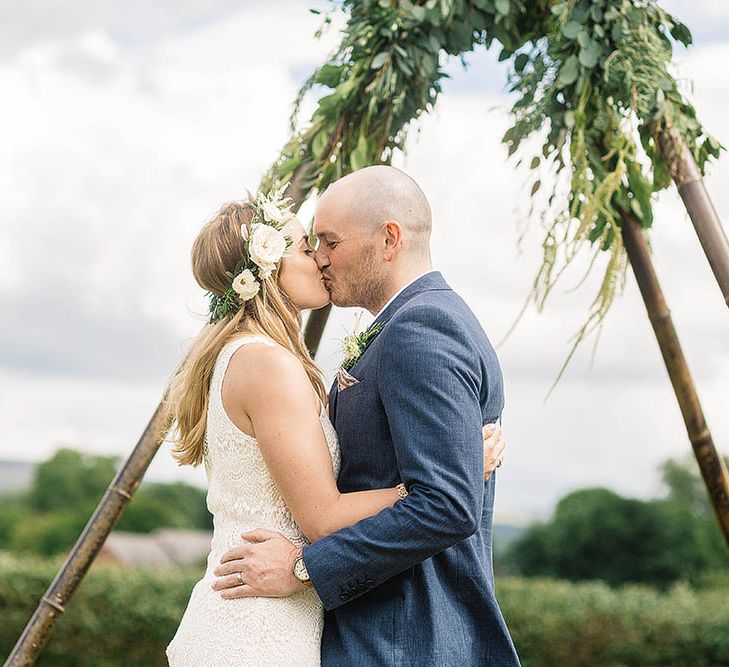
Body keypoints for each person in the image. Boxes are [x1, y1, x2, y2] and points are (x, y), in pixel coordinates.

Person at [164, 184, 505, 666]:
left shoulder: (415, 327)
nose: (321, 258)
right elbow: (324, 514)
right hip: (259, 623)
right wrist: (460, 468)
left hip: (303, 621)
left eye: (327, 243)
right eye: (309, 246)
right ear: (265, 271)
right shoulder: (267, 364)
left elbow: (443, 504)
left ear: (389, 239)